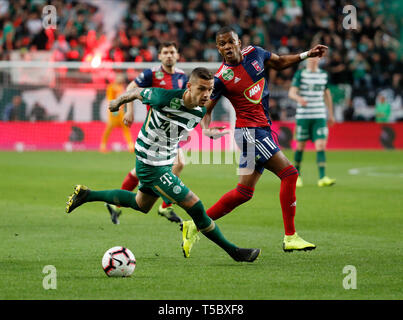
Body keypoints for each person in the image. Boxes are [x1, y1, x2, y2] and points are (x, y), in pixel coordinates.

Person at [65, 67, 261, 263]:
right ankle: (234, 252)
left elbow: (191, 123)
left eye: (210, 89)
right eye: (201, 89)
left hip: (165, 161)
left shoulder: (201, 110)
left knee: (141, 204)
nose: (206, 94)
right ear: (189, 86)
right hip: (150, 163)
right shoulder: (163, 98)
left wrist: (207, 131)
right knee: (196, 206)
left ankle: (87, 195)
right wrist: (118, 102)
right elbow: (136, 92)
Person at [181, 26, 328, 257]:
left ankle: (194, 224)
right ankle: (290, 237)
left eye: (230, 41)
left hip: (262, 129)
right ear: (218, 48)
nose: (227, 47)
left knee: (243, 192)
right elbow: (207, 108)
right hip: (250, 132)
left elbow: (278, 62)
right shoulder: (221, 78)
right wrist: (206, 128)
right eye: (221, 44)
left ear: (239, 42)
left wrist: (306, 54)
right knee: (289, 174)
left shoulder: (255, 53)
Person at [105, 42, 188, 225]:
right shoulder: (152, 74)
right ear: (159, 56)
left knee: (143, 171)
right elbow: (131, 88)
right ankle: (165, 207)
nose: (168, 55)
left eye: (172, 52)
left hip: (172, 130)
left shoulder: (182, 76)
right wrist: (129, 111)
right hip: (155, 129)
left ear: (177, 55)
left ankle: (116, 205)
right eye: (165, 52)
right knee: (178, 162)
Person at [288, 57, 336, 187]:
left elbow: (327, 95)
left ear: (319, 60)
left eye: (316, 58)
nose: (313, 60)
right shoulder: (301, 74)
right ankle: (297, 176)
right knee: (300, 146)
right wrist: (299, 99)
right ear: (308, 60)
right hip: (303, 116)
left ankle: (322, 178)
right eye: (311, 58)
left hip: (319, 115)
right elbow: (291, 92)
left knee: (321, 145)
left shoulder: (323, 75)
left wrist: (331, 114)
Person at [100, 73, 135, 154]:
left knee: (126, 127)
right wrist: (114, 109)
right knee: (109, 128)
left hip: (121, 112)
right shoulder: (111, 87)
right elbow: (109, 99)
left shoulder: (121, 87)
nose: (121, 80)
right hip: (114, 111)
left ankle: (131, 145)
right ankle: (103, 145)